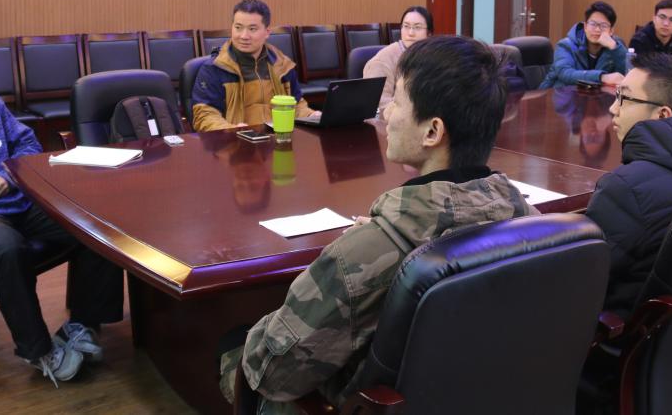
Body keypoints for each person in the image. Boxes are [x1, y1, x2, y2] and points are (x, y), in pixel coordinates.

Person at [217, 36, 537, 413]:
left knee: (234, 345)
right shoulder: (537, 226)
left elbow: (271, 373)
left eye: (396, 100)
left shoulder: (361, 256)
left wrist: (363, 248)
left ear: (432, 132)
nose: (386, 113)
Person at [0, 12, 124, 386]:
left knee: (95, 224)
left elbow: (27, 143)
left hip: (13, 200)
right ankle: (39, 351)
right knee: (6, 249)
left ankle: (83, 323)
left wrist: (6, 176)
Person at [585, 52, 672, 317]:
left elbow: (584, 274)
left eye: (624, 98)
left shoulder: (625, 187)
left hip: (626, 327)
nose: (613, 108)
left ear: (662, 114)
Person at [192, 0, 315, 131]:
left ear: (267, 32)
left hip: (277, 137)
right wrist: (231, 129)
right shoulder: (215, 68)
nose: (244, 36)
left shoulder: (282, 65)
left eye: (252, 29)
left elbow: (296, 105)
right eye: (238, 28)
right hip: (236, 140)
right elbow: (205, 114)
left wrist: (311, 115)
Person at [540, 0, 628, 89]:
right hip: (556, 94)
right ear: (585, 27)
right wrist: (602, 77)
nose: (597, 29)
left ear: (611, 30)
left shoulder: (613, 48)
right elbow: (565, 73)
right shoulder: (565, 45)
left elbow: (628, 74)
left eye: (603, 26)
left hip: (593, 95)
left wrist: (615, 48)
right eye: (593, 24)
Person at [363, 6, 433, 110]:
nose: (411, 33)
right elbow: (379, 105)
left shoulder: (432, 57)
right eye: (406, 26)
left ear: (429, 34)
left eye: (417, 27)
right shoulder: (381, 62)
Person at [628, 0, 672, 67]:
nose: (666, 23)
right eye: (662, 17)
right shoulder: (639, 41)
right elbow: (640, 70)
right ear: (654, 19)